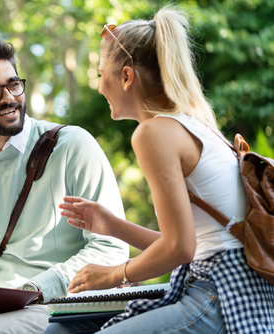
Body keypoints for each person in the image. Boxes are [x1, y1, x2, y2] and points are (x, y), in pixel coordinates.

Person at [46, 5, 274, 334]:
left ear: (126, 77)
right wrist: (113, 226)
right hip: (234, 286)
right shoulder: (194, 125)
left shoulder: (153, 133)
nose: (99, 87)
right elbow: (188, 243)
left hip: (221, 294)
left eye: (100, 74)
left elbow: (182, 249)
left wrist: (111, 274)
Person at [0, 38, 128, 334]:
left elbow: (110, 249)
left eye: (13, 85)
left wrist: (34, 288)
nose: (9, 98)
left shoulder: (73, 145)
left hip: (66, 300)